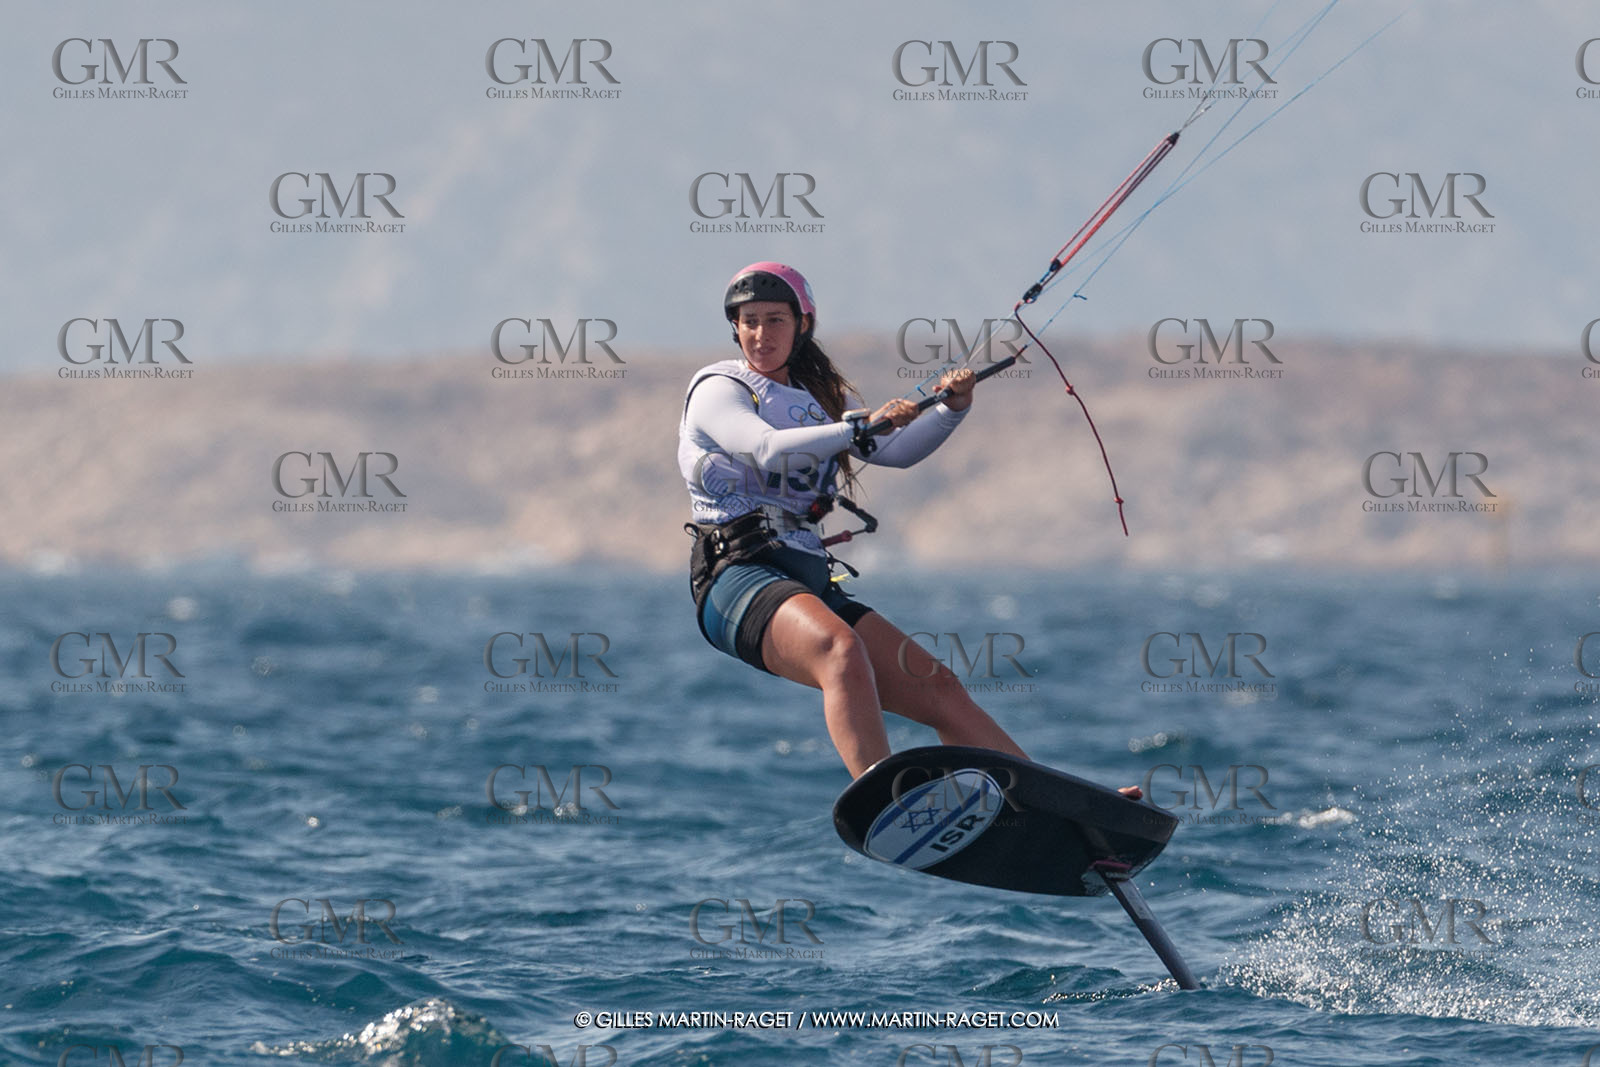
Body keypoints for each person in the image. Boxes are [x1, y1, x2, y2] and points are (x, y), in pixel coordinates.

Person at [677, 261, 1031, 779]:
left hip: (808, 576)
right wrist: (856, 429)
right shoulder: (719, 388)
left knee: (940, 689)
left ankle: (1052, 809)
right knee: (839, 649)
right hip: (737, 576)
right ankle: (886, 798)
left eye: (775, 319)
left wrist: (952, 408)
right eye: (748, 320)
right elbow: (765, 447)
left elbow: (899, 450)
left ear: (803, 324)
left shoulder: (822, 398)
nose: (760, 333)